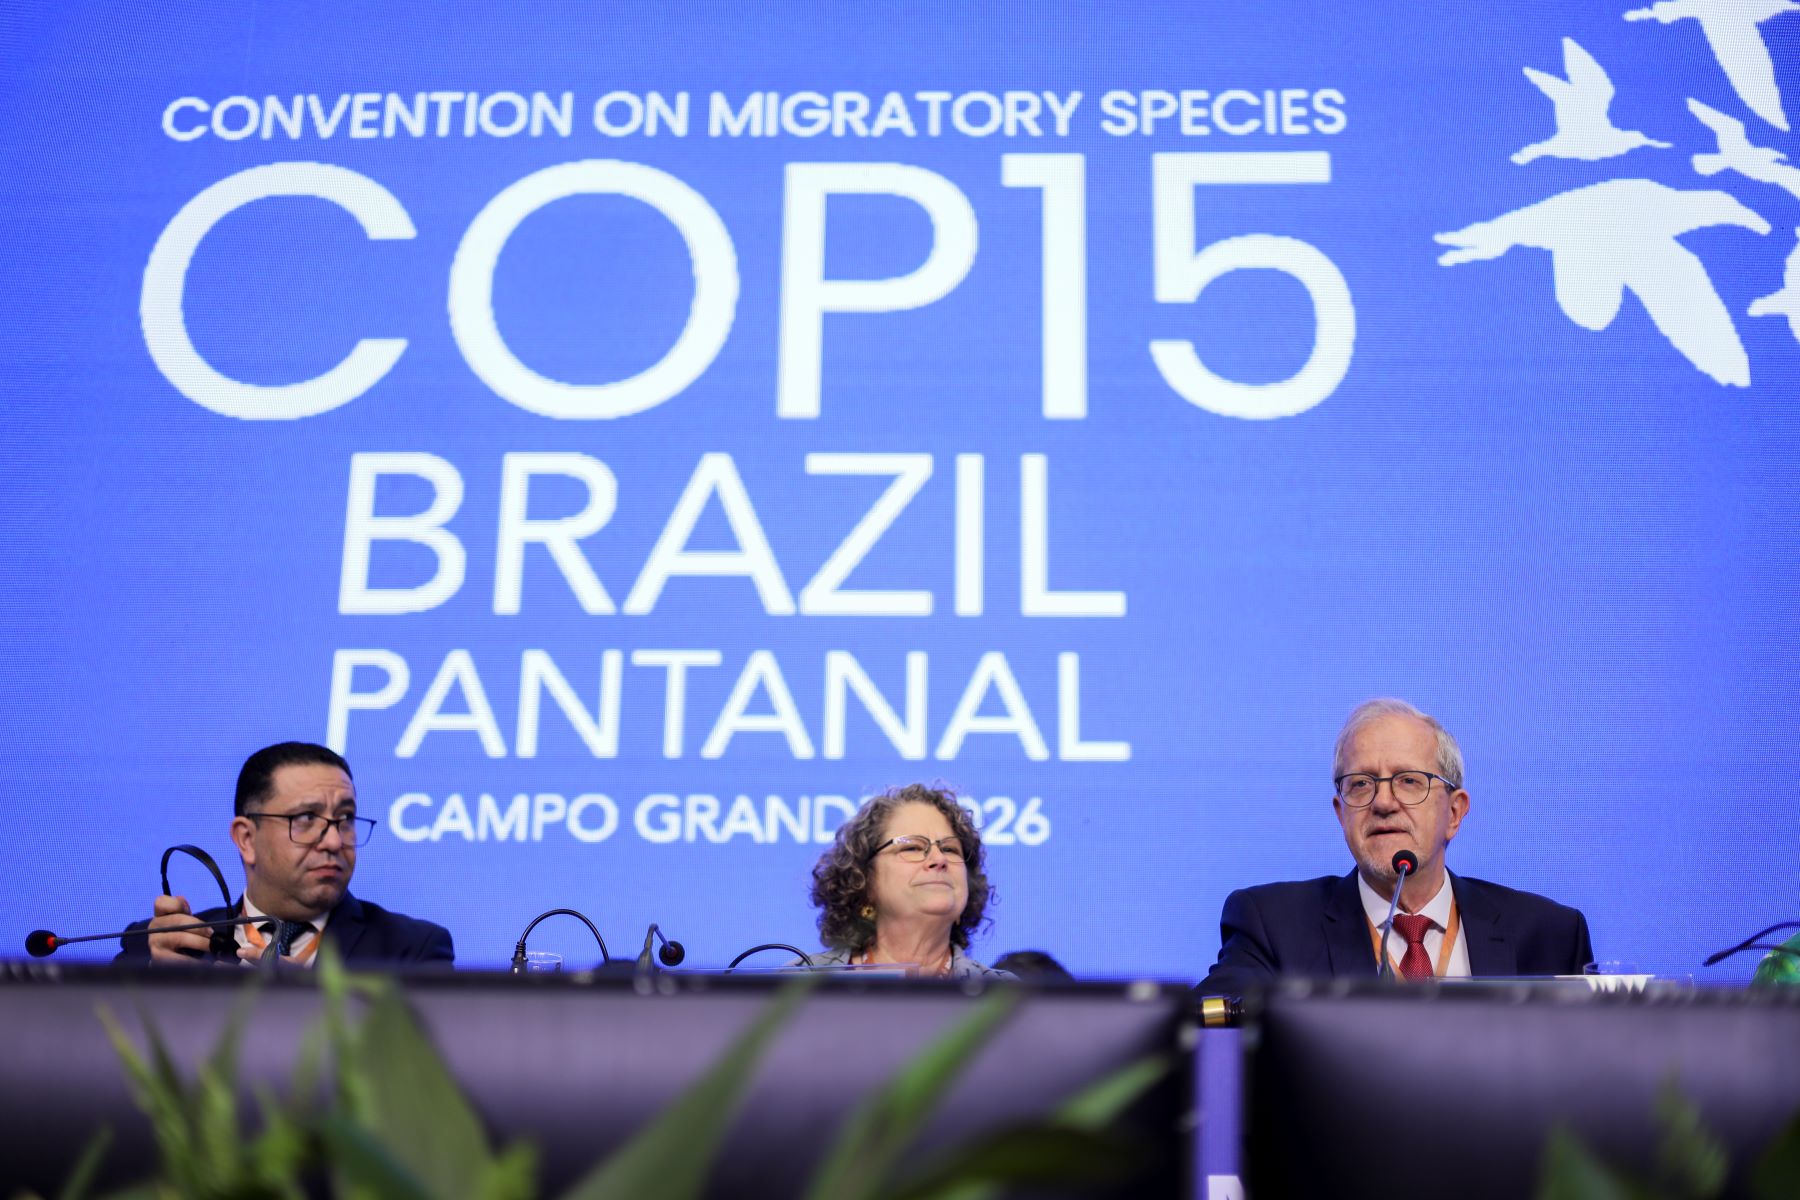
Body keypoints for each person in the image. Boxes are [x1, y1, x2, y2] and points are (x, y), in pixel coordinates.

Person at [1196, 699, 1592, 996]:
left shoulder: (1549, 934)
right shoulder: (1274, 926)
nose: (1383, 803)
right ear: (1340, 813)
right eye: (1361, 783)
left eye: (1408, 781)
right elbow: (1204, 1025)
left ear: (1455, 812)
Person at [118, 742, 453, 967]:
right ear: (246, 838)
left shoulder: (411, 950)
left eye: (346, 819)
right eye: (306, 819)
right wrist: (156, 985)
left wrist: (308, 1008)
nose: (334, 841)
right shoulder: (164, 946)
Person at [806, 784, 1012, 979]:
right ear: (864, 879)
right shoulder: (796, 989)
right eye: (912, 847)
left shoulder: (1007, 998)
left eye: (950, 849)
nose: (939, 860)